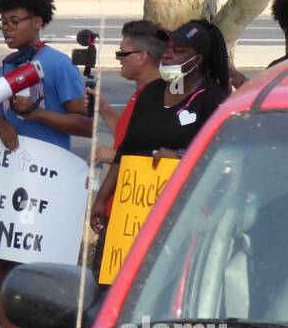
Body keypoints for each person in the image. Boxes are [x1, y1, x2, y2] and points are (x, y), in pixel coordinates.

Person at [0, 0, 88, 328]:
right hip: (16, 181)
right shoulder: (8, 65)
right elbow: (2, 114)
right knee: (5, 269)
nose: (7, 28)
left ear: (37, 21)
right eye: (2, 21)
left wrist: (38, 114)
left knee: (46, 277)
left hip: (49, 184)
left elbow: (85, 123)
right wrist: (4, 122)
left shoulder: (57, 66)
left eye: (14, 20)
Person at [92, 19, 230, 233]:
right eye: (167, 49)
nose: (168, 55)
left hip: (182, 216)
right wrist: (101, 199)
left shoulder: (212, 99)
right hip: (133, 212)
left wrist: (180, 155)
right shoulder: (151, 92)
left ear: (197, 60)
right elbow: (125, 151)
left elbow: (220, 155)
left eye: (179, 51)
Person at [91, 20, 164, 165]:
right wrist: (103, 107)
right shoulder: (142, 93)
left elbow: (158, 158)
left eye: (122, 53)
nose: (119, 59)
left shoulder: (160, 99)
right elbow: (127, 138)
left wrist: (115, 156)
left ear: (142, 57)